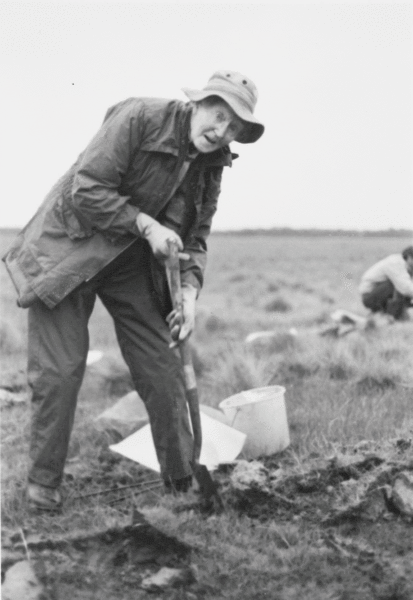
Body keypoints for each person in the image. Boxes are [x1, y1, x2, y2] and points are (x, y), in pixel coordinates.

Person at [2, 70, 264, 511]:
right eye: (218, 116)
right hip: (71, 248)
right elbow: (86, 187)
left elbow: (196, 237)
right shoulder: (139, 116)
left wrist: (189, 294)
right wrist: (147, 224)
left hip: (133, 263)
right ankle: (43, 485)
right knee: (60, 372)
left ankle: (183, 480)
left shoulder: (213, 164)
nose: (221, 132)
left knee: (162, 365)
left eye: (234, 128)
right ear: (198, 103)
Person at [359, 246, 413, 320]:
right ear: (409, 257)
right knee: (398, 285)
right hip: (369, 296)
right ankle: (392, 316)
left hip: (380, 293)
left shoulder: (407, 266)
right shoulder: (395, 263)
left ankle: (383, 314)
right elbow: (405, 288)